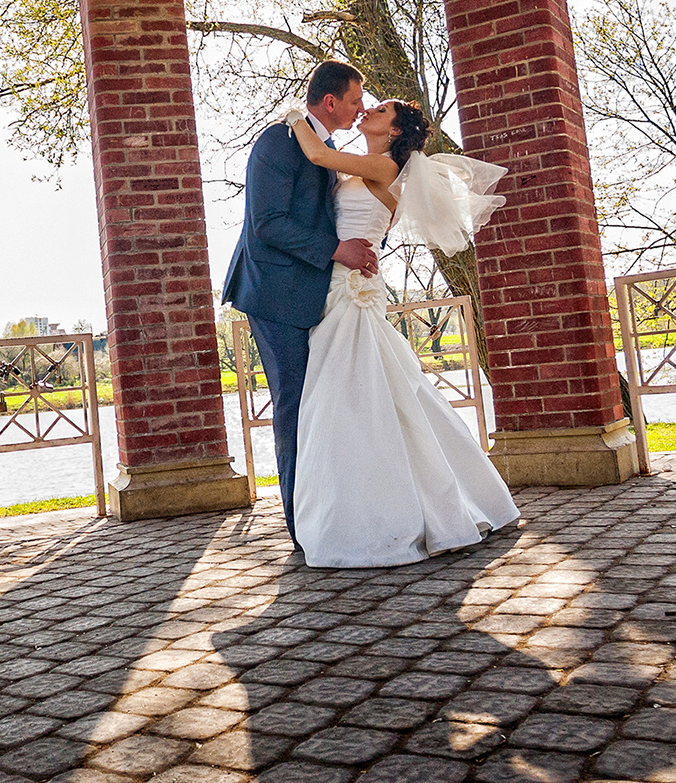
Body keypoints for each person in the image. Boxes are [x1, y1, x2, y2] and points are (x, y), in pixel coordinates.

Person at [280, 97, 521, 566]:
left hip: (352, 288)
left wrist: (293, 116)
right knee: (380, 390)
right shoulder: (375, 164)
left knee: (349, 393)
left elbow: (319, 155)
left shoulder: (386, 166)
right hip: (344, 281)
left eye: (382, 109)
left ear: (394, 131)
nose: (369, 109)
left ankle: (382, 515)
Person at [222, 61, 378, 548]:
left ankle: (330, 507)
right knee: (293, 404)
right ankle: (301, 530)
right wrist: (337, 251)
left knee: (323, 405)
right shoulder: (276, 142)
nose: (361, 110)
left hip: (319, 294)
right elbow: (266, 223)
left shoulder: (327, 149)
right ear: (329, 102)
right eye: (355, 101)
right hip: (273, 293)